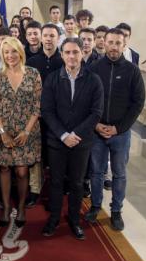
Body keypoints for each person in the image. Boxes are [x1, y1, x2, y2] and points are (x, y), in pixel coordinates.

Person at [41, 38, 104, 239]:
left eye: (75, 52)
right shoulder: (52, 79)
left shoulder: (94, 80)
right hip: (57, 141)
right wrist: (63, 135)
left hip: (81, 142)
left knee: (77, 183)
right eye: (67, 52)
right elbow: (47, 111)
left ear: (82, 53)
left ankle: (75, 220)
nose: (71, 56)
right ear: (62, 55)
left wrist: (75, 135)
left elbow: (96, 113)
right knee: (56, 182)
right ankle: (54, 219)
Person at [85, 28, 145, 231]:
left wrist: (118, 128)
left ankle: (116, 211)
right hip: (97, 131)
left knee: (119, 174)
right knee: (96, 172)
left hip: (120, 134)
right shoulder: (93, 68)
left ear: (123, 45)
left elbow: (137, 103)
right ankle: (95, 206)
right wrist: (96, 124)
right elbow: (86, 100)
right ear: (103, 43)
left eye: (118, 43)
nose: (113, 46)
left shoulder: (132, 71)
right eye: (110, 42)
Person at [0, 37, 42, 228]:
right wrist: (2, 132)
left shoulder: (34, 74)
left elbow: (37, 106)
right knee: (3, 168)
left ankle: (21, 206)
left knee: (21, 170)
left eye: (13, 51)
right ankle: (7, 208)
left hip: (27, 131)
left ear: (20, 52)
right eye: (6, 52)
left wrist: (26, 131)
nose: (10, 56)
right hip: (3, 130)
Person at [25, 23, 64, 206]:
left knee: (55, 157)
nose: (48, 39)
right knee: (37, 156)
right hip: (37, 117)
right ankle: (35, 191)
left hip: (58, 117)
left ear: (58, 38)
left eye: (52, 36)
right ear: (41, 38)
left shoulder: (63, 61)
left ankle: (54, 192)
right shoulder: (32, 62)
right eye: (45, 35)